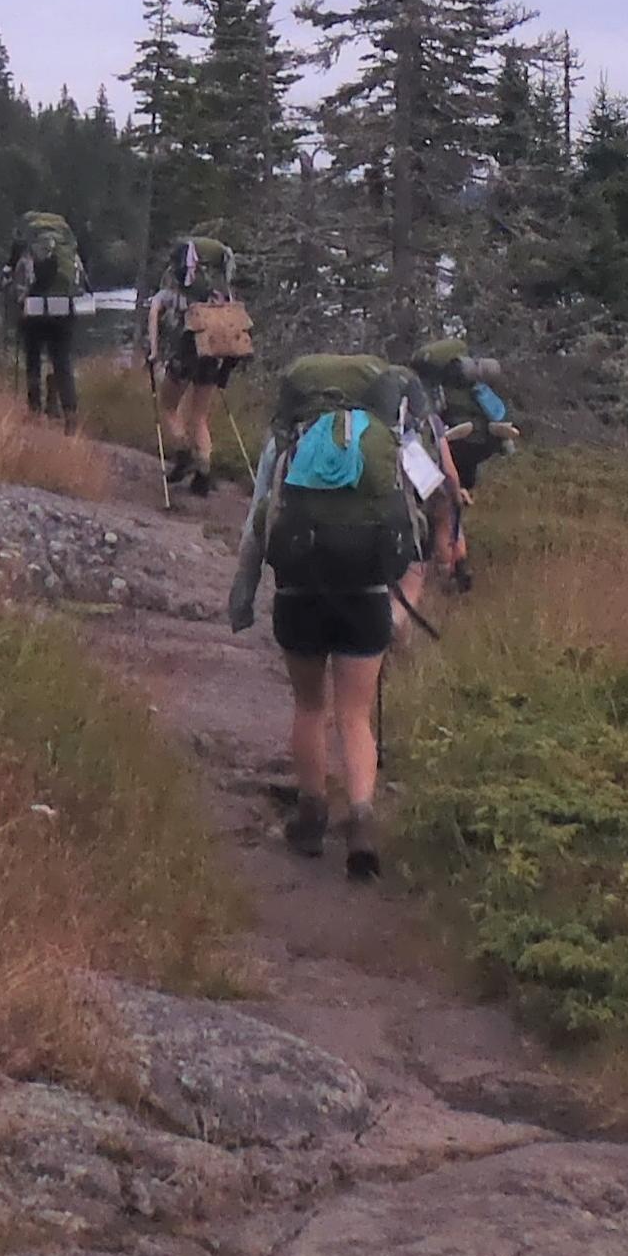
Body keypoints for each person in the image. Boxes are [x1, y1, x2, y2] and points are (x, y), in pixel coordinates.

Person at [228, 354, 430, 880]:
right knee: (356, 714)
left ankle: (312, 816)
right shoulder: (390, 443)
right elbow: (423, 515)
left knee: (310, 705)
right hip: (365, 591)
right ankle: (361, 821)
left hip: (299, 590)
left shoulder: (287, 445)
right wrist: (408, 589)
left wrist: (243, 598)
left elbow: (258, 525)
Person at [146, 227, 252, 498]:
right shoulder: (222, 296)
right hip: (213, 356)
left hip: (186, 353)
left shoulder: (176, 293)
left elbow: (155, 310)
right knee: (199, 415)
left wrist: (154, 351)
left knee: (169, 405)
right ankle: (203, 472)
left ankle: (183, 455)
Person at [409, 338, 519, 588]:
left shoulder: (430, 392)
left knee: (442, 514)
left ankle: (447, 575)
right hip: (474, 450)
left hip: (448, 453)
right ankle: (460, 565)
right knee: (454, 509)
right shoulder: (473, 389)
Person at [4, 210, 89, 429]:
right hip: (64, 310)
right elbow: (84, 282)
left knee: (33, 359)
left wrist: (15, 298)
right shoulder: (68, 249)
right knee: (62, 361)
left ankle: (35, 413)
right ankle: (70, 414)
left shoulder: (24, 244)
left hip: (33, 311)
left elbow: (10, 278)